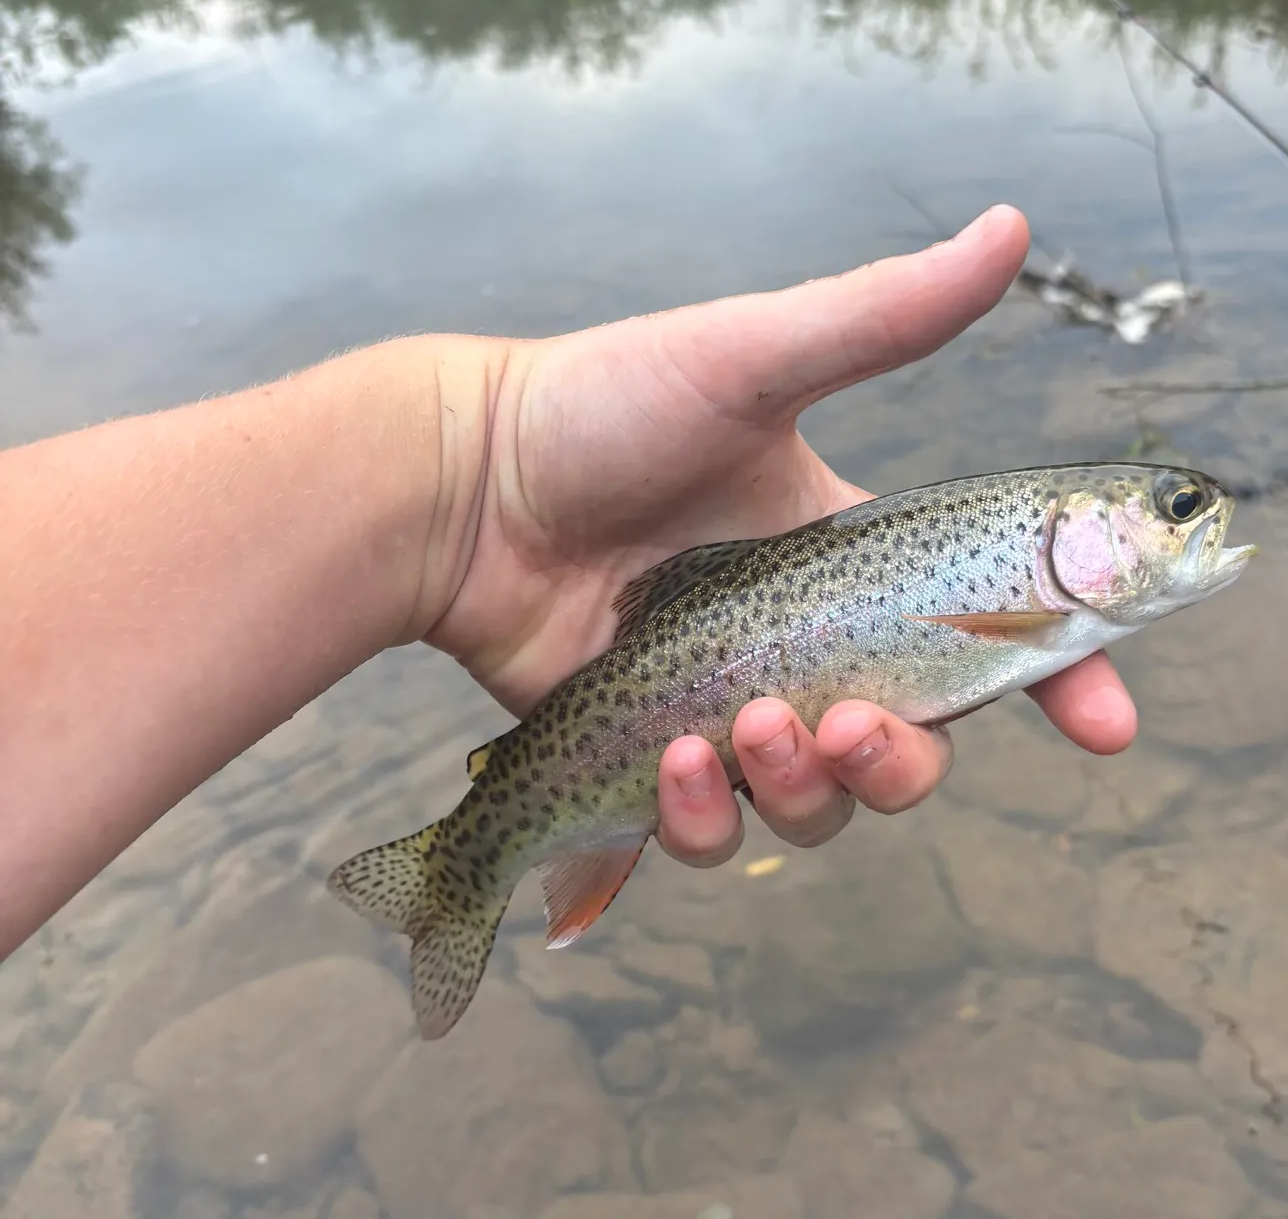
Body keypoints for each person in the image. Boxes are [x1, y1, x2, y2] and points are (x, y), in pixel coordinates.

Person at [0, 205, 1135, 960]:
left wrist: (473, 477)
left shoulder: (1022, 588)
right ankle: (474, 858)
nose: (1191, 524)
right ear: (1068, 536)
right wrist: (474, 473)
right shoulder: (1023, 589)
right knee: (712, 773)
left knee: (709, 774)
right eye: (1172, 512)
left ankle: (512, 851)